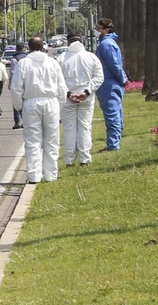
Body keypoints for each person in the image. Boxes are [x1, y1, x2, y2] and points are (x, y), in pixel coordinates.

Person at [11, 36, 69, 183]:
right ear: (43, 47)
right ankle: (51, 174)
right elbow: (62, 87)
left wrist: (19, 107)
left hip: (31, 102)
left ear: (28, 48)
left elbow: (16, 88)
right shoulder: (52, 62)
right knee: (52, 140)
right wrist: (59, 106)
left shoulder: (23, 63)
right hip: (51, 102)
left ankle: (34, 175)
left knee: (32, 140)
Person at [58, 34, 104, 167]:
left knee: (69, 129)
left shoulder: (61, 58)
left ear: (68, 42)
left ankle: (69, 160)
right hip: (87, 98)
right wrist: (86, 92)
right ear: (82, 42)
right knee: (85, 127)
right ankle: (85, 159)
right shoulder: (91, 57)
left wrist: (68, 94)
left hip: (67, 99)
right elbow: (99, 77)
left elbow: (57, 79)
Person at [93, 19, 128, 151]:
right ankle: (116, 141)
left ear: (106, 29)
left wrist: (122, 78)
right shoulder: (110, 43)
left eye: (99, 28)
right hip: (113, 83)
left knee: (112, 114)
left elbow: (114, 65)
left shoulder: (106, 45)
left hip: (109, 84)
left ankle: (113, 144)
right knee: (116, 113)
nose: (97, 30)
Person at [8, 42, 29, 129]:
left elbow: (12, 72)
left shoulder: (15, 59)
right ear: (24, 49)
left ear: (16, 49)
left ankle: (17, 122)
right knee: (26, 102)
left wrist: (10, 83)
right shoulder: (28, 58)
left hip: (17, 82)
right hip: (27, 82)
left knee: (16, 102)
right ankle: (26, 121)